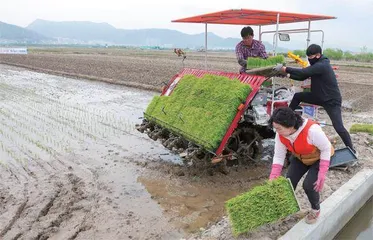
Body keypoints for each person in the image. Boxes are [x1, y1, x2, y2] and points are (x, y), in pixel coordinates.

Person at [273, 44, 355, 153]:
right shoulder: (317, 64)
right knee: (297, 96)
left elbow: (304, 72)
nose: (309, 60)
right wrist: (286, 74)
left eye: (311, 57)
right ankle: (286, 119)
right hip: (318, 96)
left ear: (318, 55)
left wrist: (285, 68)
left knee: (338, 126)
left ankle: (351, 149)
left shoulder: (323, 65)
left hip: (331, 100)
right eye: (308, 58)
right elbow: (302, 76)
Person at [268, 107, 334, 224]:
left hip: (319, 158)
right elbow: (279, 155)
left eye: (279, 128)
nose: (277, 131)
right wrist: (274, 176)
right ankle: (287, 210)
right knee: (288, 183)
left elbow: (326, 148)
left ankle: (315, 209)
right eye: (275, 128)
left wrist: (322, 172)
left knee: (309, 185)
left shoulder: (312, 130)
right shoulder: (281, 135)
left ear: (290, 125)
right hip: (301, 157)